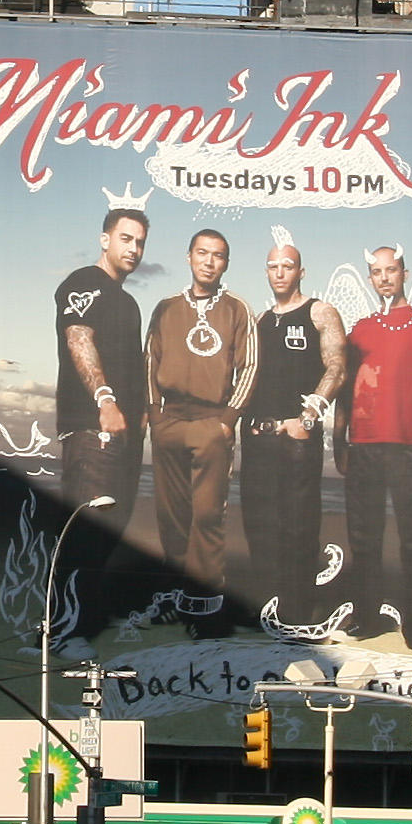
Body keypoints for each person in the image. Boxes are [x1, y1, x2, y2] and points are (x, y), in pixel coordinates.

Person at [47, 207, 150, 635]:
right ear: (105, 239)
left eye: (140, 242)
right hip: (93, 430)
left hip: (124, 437)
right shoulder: (83, 282)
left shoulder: (127, 301)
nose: (134, 249)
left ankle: (71, 625)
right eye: (126, 238)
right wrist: (104, 401)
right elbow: (78, 338)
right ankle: (63, 633)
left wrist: (140, 416)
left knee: (110, 532)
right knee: (86, 535)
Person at [340, 246, 412, 639]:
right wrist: (341, 440)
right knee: (363, 539)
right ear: (370, 278)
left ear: (404, 273)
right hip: (365, 446)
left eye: (391, 270)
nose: (384, 277)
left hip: (411, 447)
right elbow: (344, 388)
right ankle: (366, 618)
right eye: (376, 272)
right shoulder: (360, 329)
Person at [236, 237, 346, 626]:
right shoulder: (262, 321)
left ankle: (298, 614)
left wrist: (308, 418)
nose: (280, 272)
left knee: (298, 527)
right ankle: (268, 612)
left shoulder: (320, 312)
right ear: (267, 271)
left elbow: (337, 369)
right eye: (273, 266)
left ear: (300, 272)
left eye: (287, 266)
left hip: (296, 438)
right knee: (259, 524)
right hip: (256, 439)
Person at [143, 229, 256, 599]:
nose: (209, 261)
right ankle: (174, 592)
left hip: (212, 422)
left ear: (226, 262)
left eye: (218, 255)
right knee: (171, 513)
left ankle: (205, 597)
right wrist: (155, 418)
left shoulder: (238, 308)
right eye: (202, 253)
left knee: (207, 514)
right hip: (170, 419)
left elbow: (250, 366)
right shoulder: (165, 307)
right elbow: (149, 363)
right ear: (188, 257)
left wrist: (228, 419)